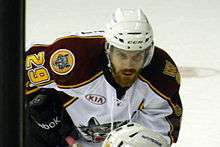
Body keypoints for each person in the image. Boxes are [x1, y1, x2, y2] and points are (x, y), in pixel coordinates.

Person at [25, 8, 182, 147]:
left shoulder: (161, 76)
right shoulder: (74, 58)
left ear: (148, 55)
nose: (129, 64)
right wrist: (31, 105)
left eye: (137, 56)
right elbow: (12, 72)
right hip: (59, 132)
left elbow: (160, 132)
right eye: (122, 55)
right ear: (109, 51)